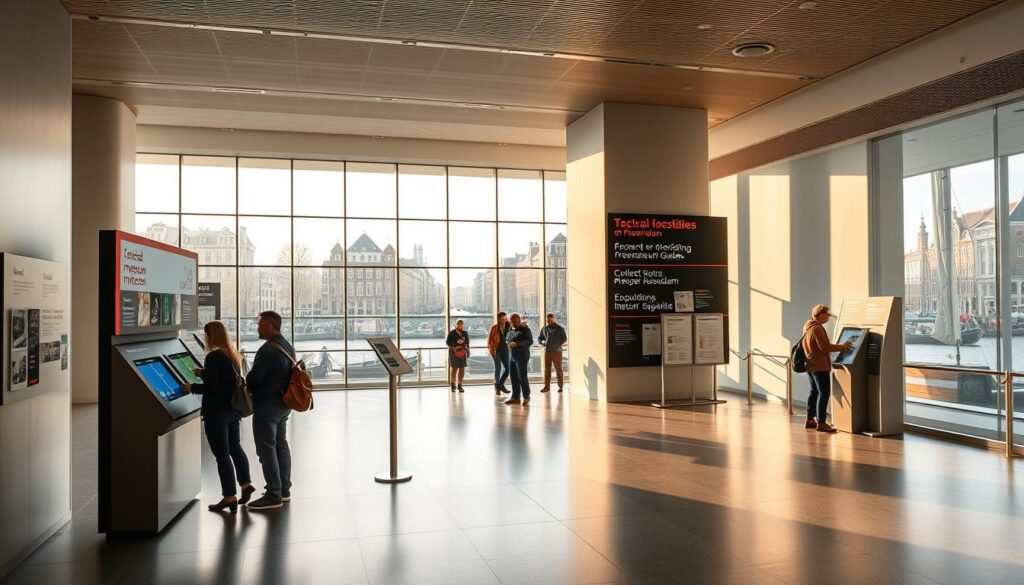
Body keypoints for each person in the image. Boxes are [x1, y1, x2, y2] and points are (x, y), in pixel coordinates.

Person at [183, 320, 254, 513]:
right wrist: (205, 373)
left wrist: (192, 387)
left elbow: (212, 388)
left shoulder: (213, 355)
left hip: (216, 413)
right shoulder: (231, 354)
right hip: (232, 410)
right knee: (235, 447)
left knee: (221, 454)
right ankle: (246, 484)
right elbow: (224, 380)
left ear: (209, 335)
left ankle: (229, 496)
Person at [245, 310, 295, 510]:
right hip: (283, 404)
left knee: (266, 449)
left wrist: (246, 378)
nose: (257, 327)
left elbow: (254, 379)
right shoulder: (286, 345)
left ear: (269, 326)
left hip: (267, 406)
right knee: (281, 445)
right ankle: (284, 490)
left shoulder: (267, 350)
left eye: (259, 324)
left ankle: (273, 494)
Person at [802, 304, 853, 433]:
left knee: (814, 391)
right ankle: (822, 422)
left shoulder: (808, 326)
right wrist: (843, 346)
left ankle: (810, 419)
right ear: (821, 314)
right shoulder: (817, 328)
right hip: (820, 366)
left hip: (810, 365)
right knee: (824, 393)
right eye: (828, 314)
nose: (829, 317)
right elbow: (825, 347)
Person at [504, 313, 534, 406]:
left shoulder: (525, 329)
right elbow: (507, 339)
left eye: (516, 321)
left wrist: (517, 344)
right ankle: (516, 397)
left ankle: (526, 396)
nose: (514, 323)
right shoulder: (510, 329)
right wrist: (508, 342)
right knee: (513, 377)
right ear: (510, 321)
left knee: (522, 376)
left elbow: (530, 341)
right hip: (512, 356)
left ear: (519, 320)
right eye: (512, 321)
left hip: (522, 356)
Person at [538, 313, 568, 393]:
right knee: (547, 370)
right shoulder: (545, 328)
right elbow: (540, 338)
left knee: (558, 369)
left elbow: (564, 339)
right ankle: (546, 387)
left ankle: (560, 386)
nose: (548, 321)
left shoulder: (560, 328)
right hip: (548, 351)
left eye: (550, 319)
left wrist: (558, 345)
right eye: (547, 319)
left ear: (553, 319)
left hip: (557, 352)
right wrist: (542, 342)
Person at [487, 312, 512, 396]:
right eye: (502, 319)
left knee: (508, 369)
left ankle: (499, 385)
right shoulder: (494, 328)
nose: (504, 320)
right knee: (498, 368)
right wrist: (492, 349)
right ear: (498, 319)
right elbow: (489, 340)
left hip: (505, 350)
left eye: (505, 319)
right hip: (496, 350)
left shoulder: (509, 327)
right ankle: (497, 387)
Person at [446, 319, 469, 393]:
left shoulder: (465, 333)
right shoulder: (452, 333)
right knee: (454, 368)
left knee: (462, 369)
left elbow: (467, 343)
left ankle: (460, 385)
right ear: (456, 325)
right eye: (459, 324)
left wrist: (467, 350)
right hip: (454, 353)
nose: (461, 325)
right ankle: (453, 385)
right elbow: (448, 342)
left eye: (462, 324)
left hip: (463, 353)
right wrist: (454, 346)